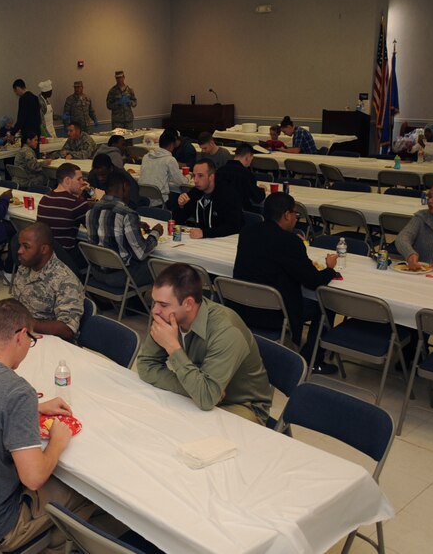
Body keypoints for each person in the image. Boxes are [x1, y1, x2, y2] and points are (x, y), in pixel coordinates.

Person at [0, 298, 107, 553]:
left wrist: (33, 407)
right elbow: (33, 478)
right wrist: (57, 441)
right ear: (21, 336)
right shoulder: (17, 392)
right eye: (31, 342)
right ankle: (53, 543)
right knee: (87, 494)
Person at [137, 263, 273, 425]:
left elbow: (206, 397)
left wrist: (173, 347)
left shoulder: (226, 331)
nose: (155, 311)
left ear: (188, 304)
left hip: (242, 406)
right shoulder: (167, 317)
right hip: (205, 393)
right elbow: (146, 366)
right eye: (155, 302)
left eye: (163, 305)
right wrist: (194, 390)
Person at [233, 192, 339, 372]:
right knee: (327, 304)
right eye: (295, 214)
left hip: (241, 308)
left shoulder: (247, 232)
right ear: (287, 215)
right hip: (273, 313)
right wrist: (330, 268)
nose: (296, 219)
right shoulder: (289, 241)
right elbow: (313, 281)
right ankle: (311, 360)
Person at [86, 170, 162, 287]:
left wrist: (135, 225)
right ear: (125, 187)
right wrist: (156, 233)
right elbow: (141, 253)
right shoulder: (127, 214)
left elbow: (107, 225)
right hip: (121, 277)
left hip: (96, 272)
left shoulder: (91, 211)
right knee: (163, 267)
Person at [12, 222, 84, 341]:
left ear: (44, 249)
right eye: (20, 245)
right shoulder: (24, 268)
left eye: (26, 246)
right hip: (24, 335)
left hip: (50, 342)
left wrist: (27, 322)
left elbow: (67, 329)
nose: (19, 251)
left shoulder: (65, 280)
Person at [36, 162, 92, 266]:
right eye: (79, 179)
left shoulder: (45, 198)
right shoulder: (77, 204)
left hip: (45, 256)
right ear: (67, 180)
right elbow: (92, 228)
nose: (83, 182)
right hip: (66, 259)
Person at [174, 158, 243, 239]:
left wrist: (204, 233)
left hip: (225, 241)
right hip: (203, 241)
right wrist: (181, 206)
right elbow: (177, 221)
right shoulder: (196, 192)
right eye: (194, 175)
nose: (195, 180)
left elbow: (233, 227)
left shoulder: (228, 194)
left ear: (211, 177)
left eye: (200, 176)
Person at [139, 131, 188, 208]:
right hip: (159, 200)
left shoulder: (146, 156)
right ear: (172, 145)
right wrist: (188, 178)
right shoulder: (170, 160)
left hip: (143, 198)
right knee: (178, 197)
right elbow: (181, 182)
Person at [215, 143, 266, 212]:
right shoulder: (247, 174)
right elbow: (258, 199)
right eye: (251, 159)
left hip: (220, 210)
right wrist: (262, 190)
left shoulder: (219, 171)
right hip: (241, 213)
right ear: (247, 157)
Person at [12, 79, 41, 147]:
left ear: (18, 88)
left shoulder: (23, 99)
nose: (16, 93)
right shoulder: (35, 97)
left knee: (26, 154)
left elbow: (21, 118)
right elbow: (38, 117)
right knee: (35, 154)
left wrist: (13, 132)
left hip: (27, 134)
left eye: (15, 91)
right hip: (36, 133)